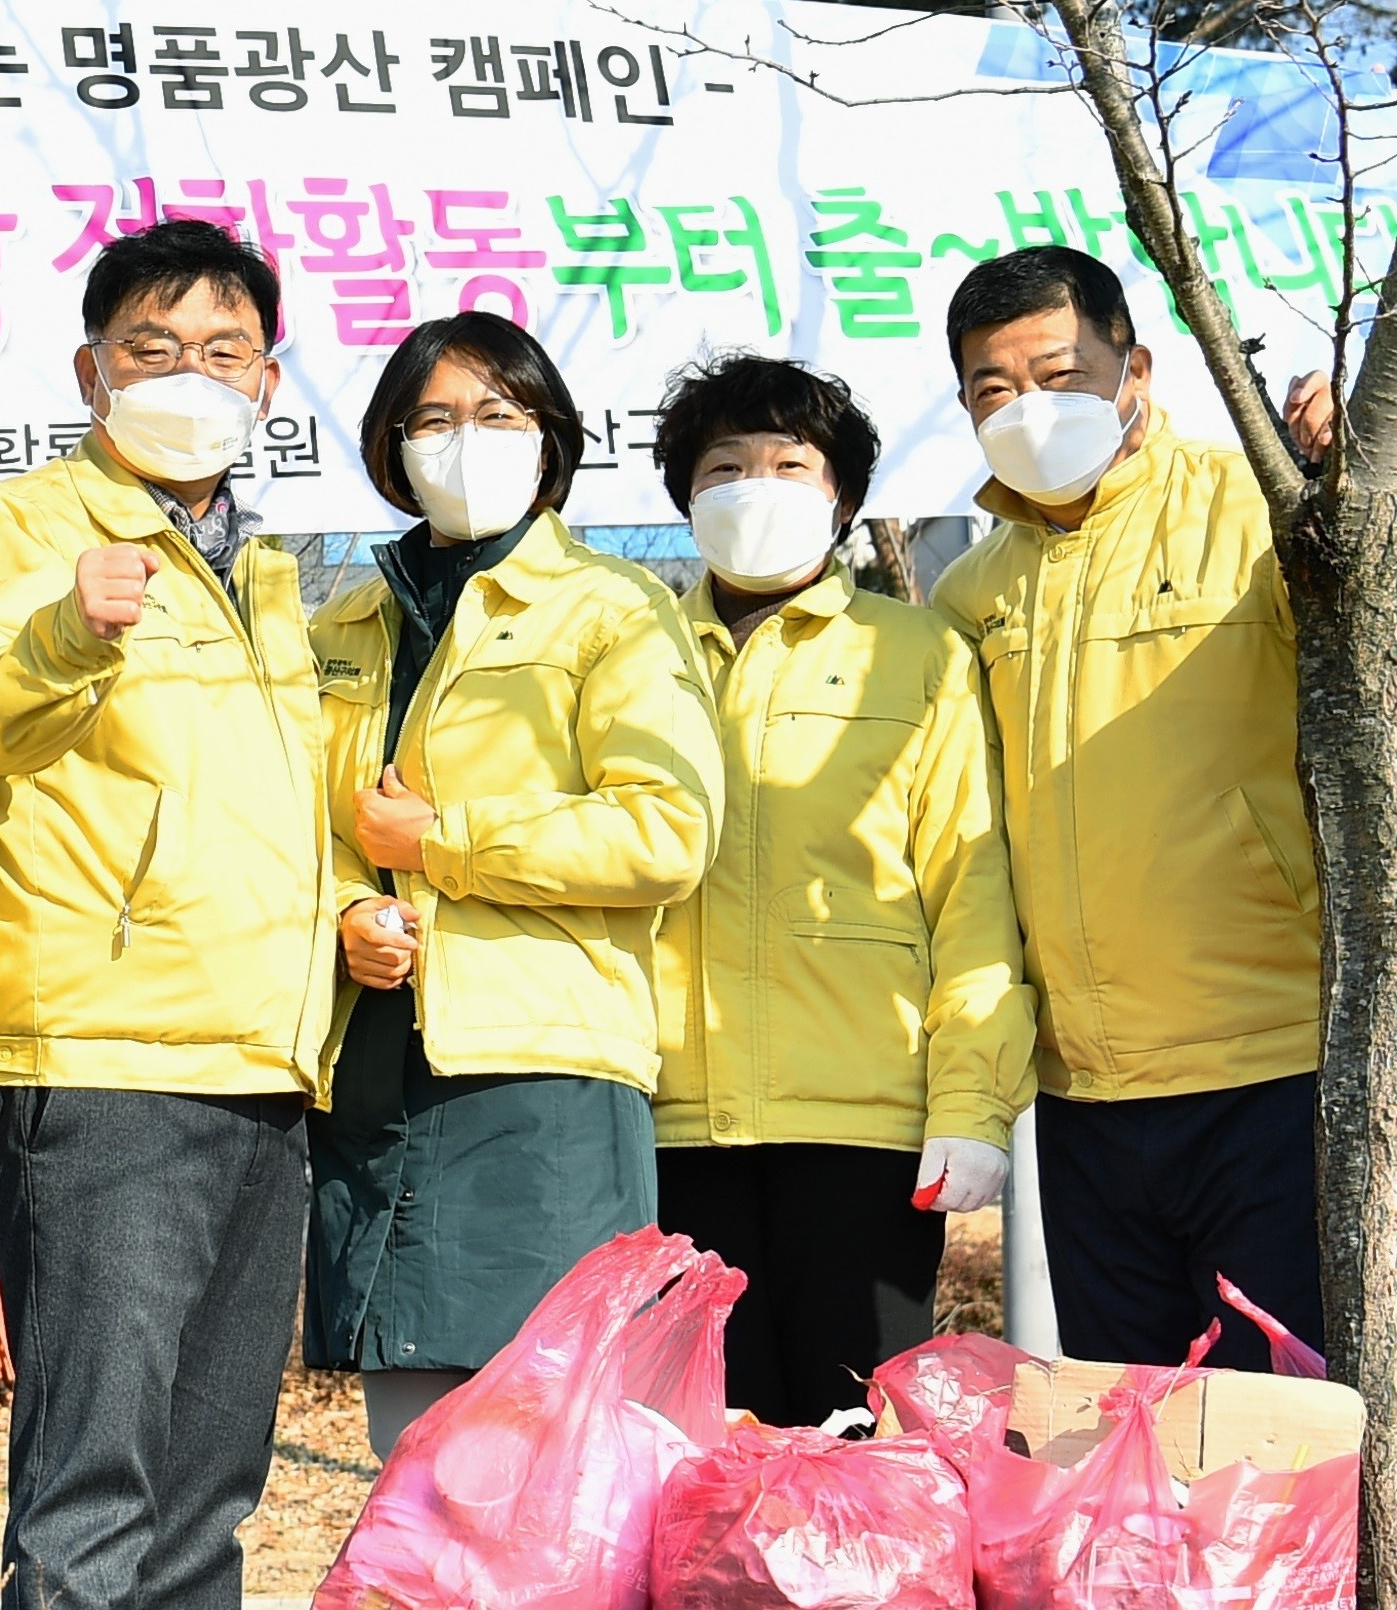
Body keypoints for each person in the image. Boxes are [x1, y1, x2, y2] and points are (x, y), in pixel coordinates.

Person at [0, 216, 334, 1610]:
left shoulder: (277, 567)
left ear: (271, 376)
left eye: (224, 351)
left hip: (260, 1052)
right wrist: (60, 630)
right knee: (96, 1444)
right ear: (87, 367)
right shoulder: (21, 531)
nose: (190, 380)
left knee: (215, 1463)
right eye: (153, 350)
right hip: (101, 1045)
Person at [302, 314, 708, 1459]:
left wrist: (448, 846)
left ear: (551, 441)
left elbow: (668, 828)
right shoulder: (348, 620)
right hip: (380, 1059)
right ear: (389, 445)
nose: (462, 442)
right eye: (432, 420)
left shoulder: (615, 608)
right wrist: (347, 913)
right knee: (416, 1455)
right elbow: (306, 821)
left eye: (497, 416)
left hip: (543, 1071)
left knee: (556, 1451)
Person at [929, 245, 1327, 1370]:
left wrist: (1367, 475)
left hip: (1268, 1066)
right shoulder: (972, 594)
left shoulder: (1259, 511)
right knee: (1132, 1425)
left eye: (1057, 375)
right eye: (992, 391)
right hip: (1083, 1093)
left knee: (1283, 1423)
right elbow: (971, 856)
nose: (1026, 409)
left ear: (1135, 368)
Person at [645, 353, 1028, 1429]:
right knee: (704, 1452)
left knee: (857, 1447)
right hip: (671, 1124)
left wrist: (972, 1101)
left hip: (867, 1130)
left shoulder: (918, 656)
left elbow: (973, 889)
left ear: (844, 495)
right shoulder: (635, 653)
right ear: (683, 494)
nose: (753, 487)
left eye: (788, 463)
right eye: (723, 467)